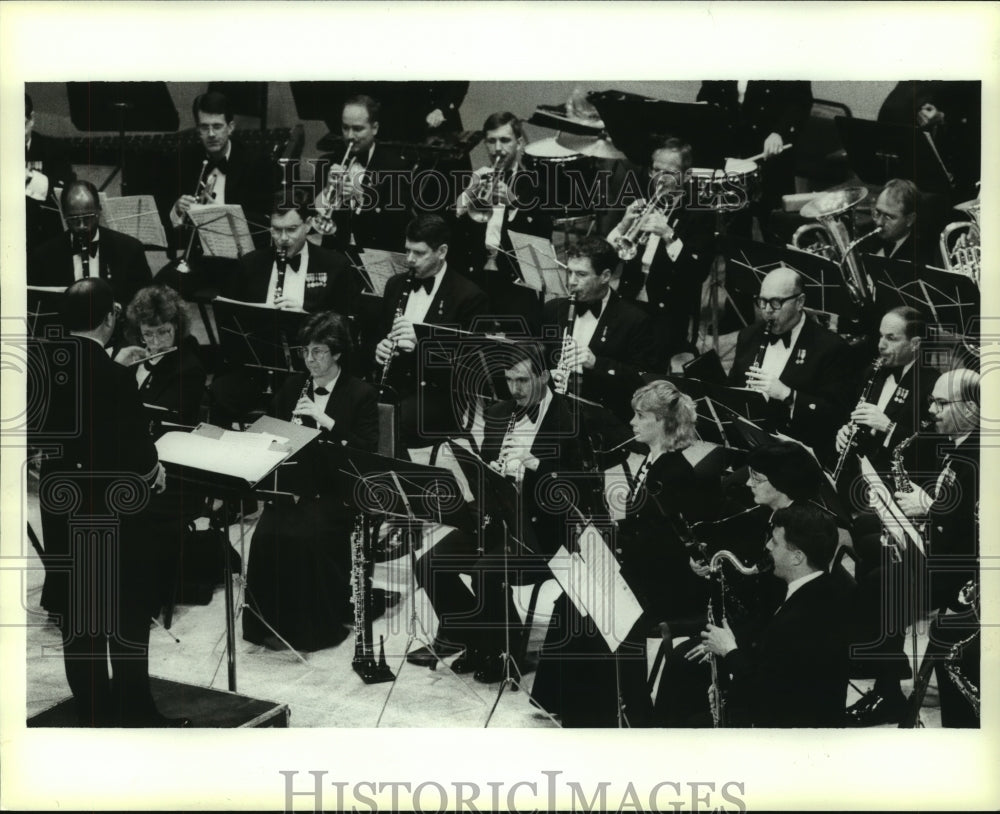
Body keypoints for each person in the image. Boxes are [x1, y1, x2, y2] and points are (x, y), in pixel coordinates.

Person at [31, 278, 185, 727]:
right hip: (111, 513)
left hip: (60, 504)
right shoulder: (117, 378)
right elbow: (137, 452)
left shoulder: (45, 362)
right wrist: (153, 470)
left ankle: (93, 712)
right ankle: (136, 710)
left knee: (79, 617)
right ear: (110, 318)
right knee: (126, 613)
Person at [531, 380, 728, 727]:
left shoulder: (673, 471)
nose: (632, 423)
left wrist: (613, 558)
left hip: (667, 584)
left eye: (640, 416)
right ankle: (564, 700)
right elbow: (642, 531)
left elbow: (664, 544)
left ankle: (610, 711)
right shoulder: (655, 459)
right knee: (573, 597)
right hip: (646, 568)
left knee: (592, 609)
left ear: (663, 423)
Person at [408, 343, 583, 682]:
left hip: (542, 528)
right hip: (497, 516)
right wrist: (486, 469)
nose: (514, 390)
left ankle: (503, 652)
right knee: (428, 564)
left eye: (522, 380)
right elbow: (487, 467)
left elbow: (577, 485)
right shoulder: (499, 411)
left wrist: (534, 465)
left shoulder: (570, 416)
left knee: (485, 571)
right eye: (508, 380)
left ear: (544, 376)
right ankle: (472, 638)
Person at [847, 368, 979, 726]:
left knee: (882, 583)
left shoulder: (980, 456)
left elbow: (974, 524)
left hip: (965, 570)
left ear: (971, 407)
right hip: (945, 551)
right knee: (877, 564)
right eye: (932, 401)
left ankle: (888, 687)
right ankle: (886, 676)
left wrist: (928, 508)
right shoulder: (961, 445)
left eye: (940, 403)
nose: (932, 410)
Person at [243, 311, 379, 652]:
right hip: (295, 484)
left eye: (318, 352)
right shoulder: (292, 386)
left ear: (337, 354)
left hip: (337, 490)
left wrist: (326, 421)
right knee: (265, 536)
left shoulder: (360, 393)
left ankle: (316, 628)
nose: (310, 359)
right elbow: (273, 431)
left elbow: (366, 451)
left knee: (305, 537)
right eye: (306, 351)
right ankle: (269, 624)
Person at [686, 503, 851, 727]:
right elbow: (782, 667)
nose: (767, 547)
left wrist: (729, 652)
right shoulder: (821, 590)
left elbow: (765, 698)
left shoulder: (798, 618)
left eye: (774, 542)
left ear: (797, 557)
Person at [210, 189, 359, 429]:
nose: (282, 238)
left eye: (291, 229)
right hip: (257, 367)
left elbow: (345, 329)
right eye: (276, 229)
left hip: (309, 370)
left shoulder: (335, 266)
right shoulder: (250, 264)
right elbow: (232, 322)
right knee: (220, 392)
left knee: (286, 408)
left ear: (309, 224)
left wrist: (306, 317)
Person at [374, 214, 488, 446]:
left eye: (419, 253)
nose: (409, 260)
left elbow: (470, 368)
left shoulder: (469, 297)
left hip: (439, 395)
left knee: (388, 424)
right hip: (393, 385)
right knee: (350, 411)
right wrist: (379, 349)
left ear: (442, 251)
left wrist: (422, 343)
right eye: (407, 251)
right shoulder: (395, 285)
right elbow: (375, 335)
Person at [727, 266, 853, 459]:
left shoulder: (830, 347)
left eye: (776, 302)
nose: (767, 311)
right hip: (748, 443)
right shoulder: (749, 336)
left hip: (796, 454)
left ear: (799, 302)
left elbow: (835, 415)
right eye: (762, 301)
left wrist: (789, 395)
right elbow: (732, 387)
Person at [606, 137, 714, 359]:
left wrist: (668, 235)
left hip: (667, 310)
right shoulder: (641, 202)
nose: (660, 180)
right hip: (628, 299)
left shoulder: (699, 213)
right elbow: (604, 260)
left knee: (647, 359)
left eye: (670, 173)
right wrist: (622, 226)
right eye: (655, 170)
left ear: (687, 175)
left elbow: (698, 272)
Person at [454, 111, 553, 332]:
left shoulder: (534, 185)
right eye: (491, 141)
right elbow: (455, 235)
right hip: (476, 275)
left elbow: (544, 233)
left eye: (505, 140)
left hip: (515, 280)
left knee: (518, 344)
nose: (497, 148)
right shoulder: (478, 177)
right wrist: (466, 195)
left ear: (518, 144)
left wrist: (514, 203)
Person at [545, 236, 656, 422]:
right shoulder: (553, 309)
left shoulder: (635, 320)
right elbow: (537, 359)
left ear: (605, 276)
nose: (571, 282)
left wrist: (597, 364)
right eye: (569, 272)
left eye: (581, 274)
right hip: (554, 409)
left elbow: (644, 382)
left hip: (604, 416)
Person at [697, 81, 813, 243]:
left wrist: (780, 132)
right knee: (735, 226)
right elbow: (708, 95)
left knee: (775, 225)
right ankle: (739, 265)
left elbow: (800, 102)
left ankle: (781, 266)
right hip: (733, 148)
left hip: (771, 151)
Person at [164, 90, 274, 255]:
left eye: (217, 126)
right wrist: (177, 211)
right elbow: (171, 233)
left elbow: (266, 222)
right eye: (204, 127)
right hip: (199, 254)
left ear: (230, 127)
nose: (211, 134)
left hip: (244, 258)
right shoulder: (184, 159)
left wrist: (222, 213)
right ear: (197, 129)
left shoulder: (256, 162)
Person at [834, 307, 936, 477]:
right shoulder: (873, 371)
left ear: (915, 344)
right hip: (858, 474)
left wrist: (889, 427)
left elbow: (929, 448)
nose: (880, 345)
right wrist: (843, 432)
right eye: (881, 336)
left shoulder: (932, 384)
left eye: (891, 338)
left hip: (896, 483)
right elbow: (851, 414)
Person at [28, 180, 153, 311]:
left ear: (99, 210)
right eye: (74, 219)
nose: (82, 226)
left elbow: (146, 299)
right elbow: (38, 305)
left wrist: (120, 308)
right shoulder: (44, 255)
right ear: (63, 214)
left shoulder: (130, 249)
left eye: (88, 217)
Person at [312, 94, 413, 252]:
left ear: (375, 128)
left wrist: (361, 198)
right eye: (345, 128)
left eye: (357, 129)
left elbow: (398, 224)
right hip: (335, 254)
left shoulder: (396, 166)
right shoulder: (327, 162)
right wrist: (327, 190)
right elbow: (313, 217)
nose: (350, 136)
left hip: (376, 252)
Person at [115, 284, 207, 429]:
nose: (156, 343)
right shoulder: (126, 353)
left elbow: (171, 422)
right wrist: (117, 368)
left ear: (176, 325)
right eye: (148, 334)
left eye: (163, 332)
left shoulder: (189, 369)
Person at [25, 92, 75, 250]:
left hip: (43, 239)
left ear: (31, 119)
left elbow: (66, 191)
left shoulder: (53, 149)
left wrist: (28, 177)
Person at [854, 179, 937, 267]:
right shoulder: (864, 240)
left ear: (910, 220)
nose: (879, 222)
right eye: (878, 212)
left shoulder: (921, 257)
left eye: (889, 217)